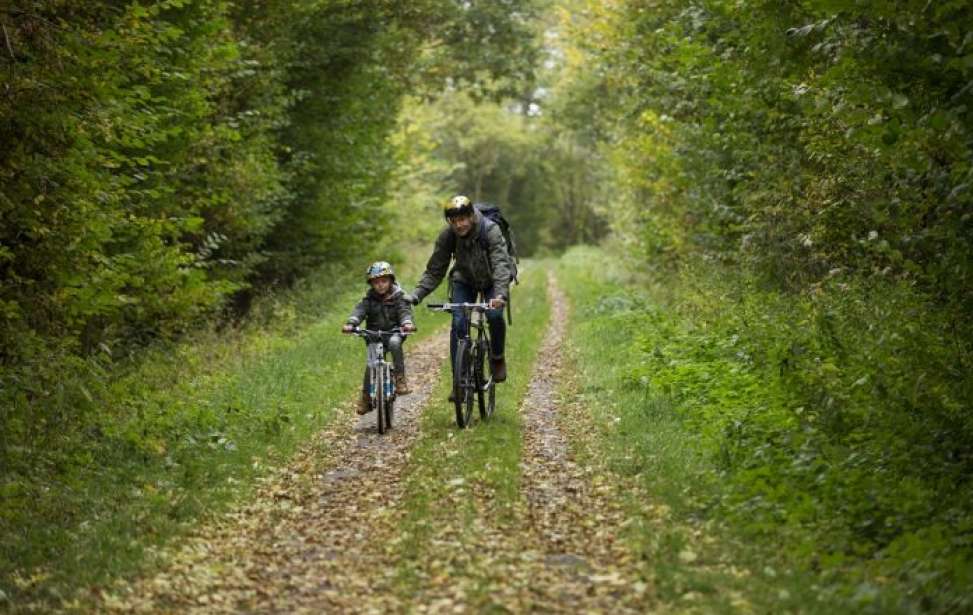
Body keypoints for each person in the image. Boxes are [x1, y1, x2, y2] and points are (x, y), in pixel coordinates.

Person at [407, 195, 511, 392]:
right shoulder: (448, 236)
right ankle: (459, 381)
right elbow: (435, 270)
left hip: (491, 281)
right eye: (453, 221)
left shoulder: (490, 230)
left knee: (495, 315)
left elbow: (500, 265)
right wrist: (416, 295)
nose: (459, 225)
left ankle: (497, 357)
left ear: (471, 216)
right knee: (458, 323)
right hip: (464, 280)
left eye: (462, 219)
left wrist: (500, 295)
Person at [342, 261, 416, 415]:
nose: (380, 285)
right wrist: (351, 323)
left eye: (384, 281)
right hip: (374, 334)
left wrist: (407, 323)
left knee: (395, 343)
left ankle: (400, 379)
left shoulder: (399, 296)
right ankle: (366, 398)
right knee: (371, 365)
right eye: (376, 282)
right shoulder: (369, 299)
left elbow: (404, 311)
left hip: (395, 332)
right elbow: (359, 311)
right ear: (371, 284)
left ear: (391, 281)